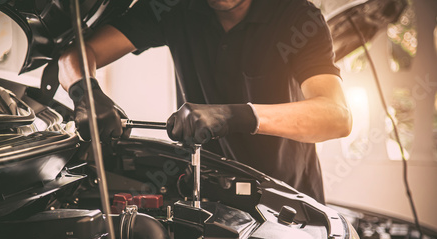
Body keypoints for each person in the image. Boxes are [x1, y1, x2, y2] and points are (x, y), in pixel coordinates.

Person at [58, 0, 352, 203]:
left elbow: (337, 116)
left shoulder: (298, 17)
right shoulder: (173, 7)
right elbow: (76, 55)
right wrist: (86, 95)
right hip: (207, 197)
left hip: (289, 202)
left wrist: (232, 116)